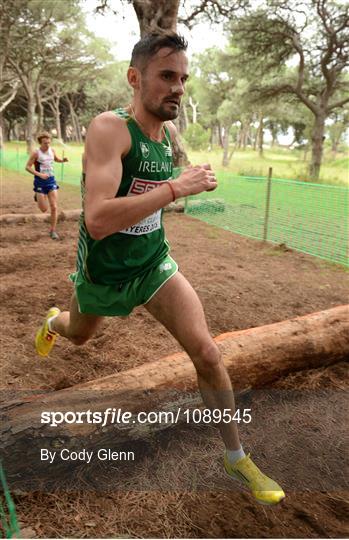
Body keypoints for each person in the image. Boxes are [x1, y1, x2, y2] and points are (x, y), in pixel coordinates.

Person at [35, 32, 285, 505]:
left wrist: (186, 183)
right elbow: (98, 219)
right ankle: (52, 321)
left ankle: (236, 459)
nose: (178, 88)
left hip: (153, 263)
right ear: (135, 77)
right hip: (103, 270)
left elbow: (155, 196)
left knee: (208, 353)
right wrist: (176, 189)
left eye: (184, 79)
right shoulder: (110, 128)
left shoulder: (168, 135)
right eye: (167, 76)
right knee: (79, 332)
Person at [25, 132, 68, 239]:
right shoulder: (36, 153)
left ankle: (53, 231)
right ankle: (37, 194)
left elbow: (55, 159)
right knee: (44, 209)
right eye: (45, 143)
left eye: (49, 142)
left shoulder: (52, 151)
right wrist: (39, 174)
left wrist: (62, 160)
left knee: (54, 207)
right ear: (40, 143)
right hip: (40, 182)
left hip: (51, 181)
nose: (47, 145)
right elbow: (28, 167)